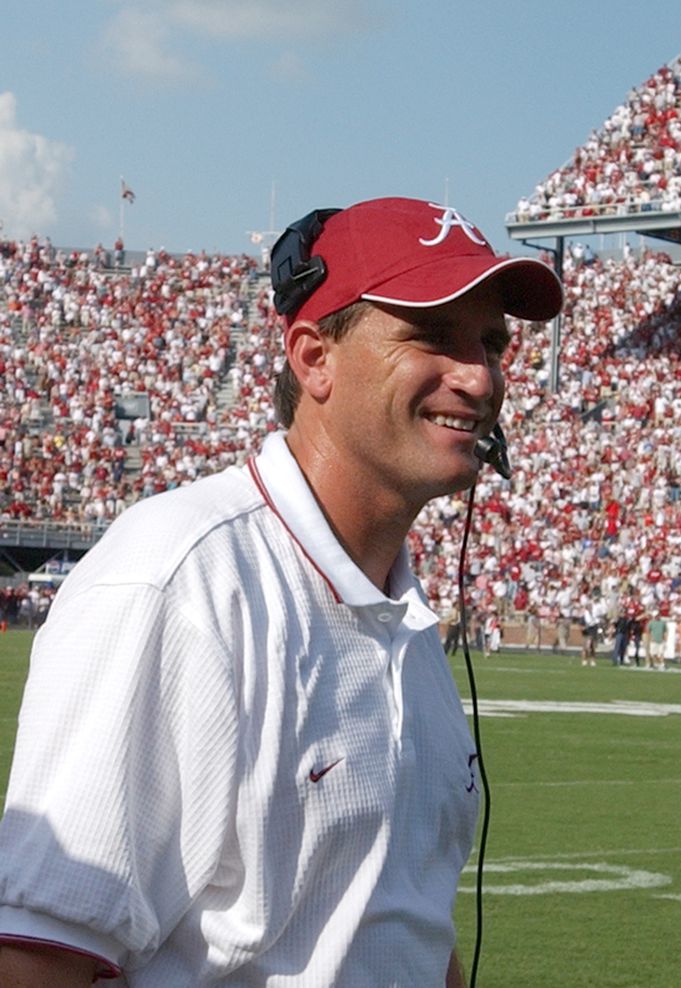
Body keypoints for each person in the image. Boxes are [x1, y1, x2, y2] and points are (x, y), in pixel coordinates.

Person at [0, 196, 564, 987]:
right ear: (313, 357)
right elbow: (35, 955)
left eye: (492, 342)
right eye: (433, 334)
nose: (479, 376)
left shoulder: (403, 615)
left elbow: (400, 925)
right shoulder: (181, 577)